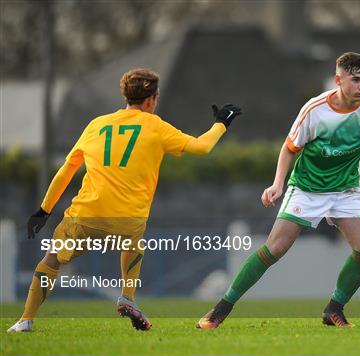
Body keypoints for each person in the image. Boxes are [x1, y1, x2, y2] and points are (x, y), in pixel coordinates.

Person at [197, 52, 360, 329]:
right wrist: (278, 183)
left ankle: (334, 309)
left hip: (345, 189)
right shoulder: (315, 110)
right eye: (355, 80)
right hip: (307, 189)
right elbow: (289, 148)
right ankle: (221, 308)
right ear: (338, 80)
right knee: (275, 249)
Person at [8, 68, 242, 332]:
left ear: (126, 96)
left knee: (51, 261)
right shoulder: (156, 127)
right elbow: (202, 147)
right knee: (134, 241)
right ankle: (127, 297)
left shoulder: (96, 125)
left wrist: (43, 211)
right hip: (128, 220)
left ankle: (25, 320)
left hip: (86, 215)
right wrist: (221, 123)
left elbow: (66, 171)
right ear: (152, 99)